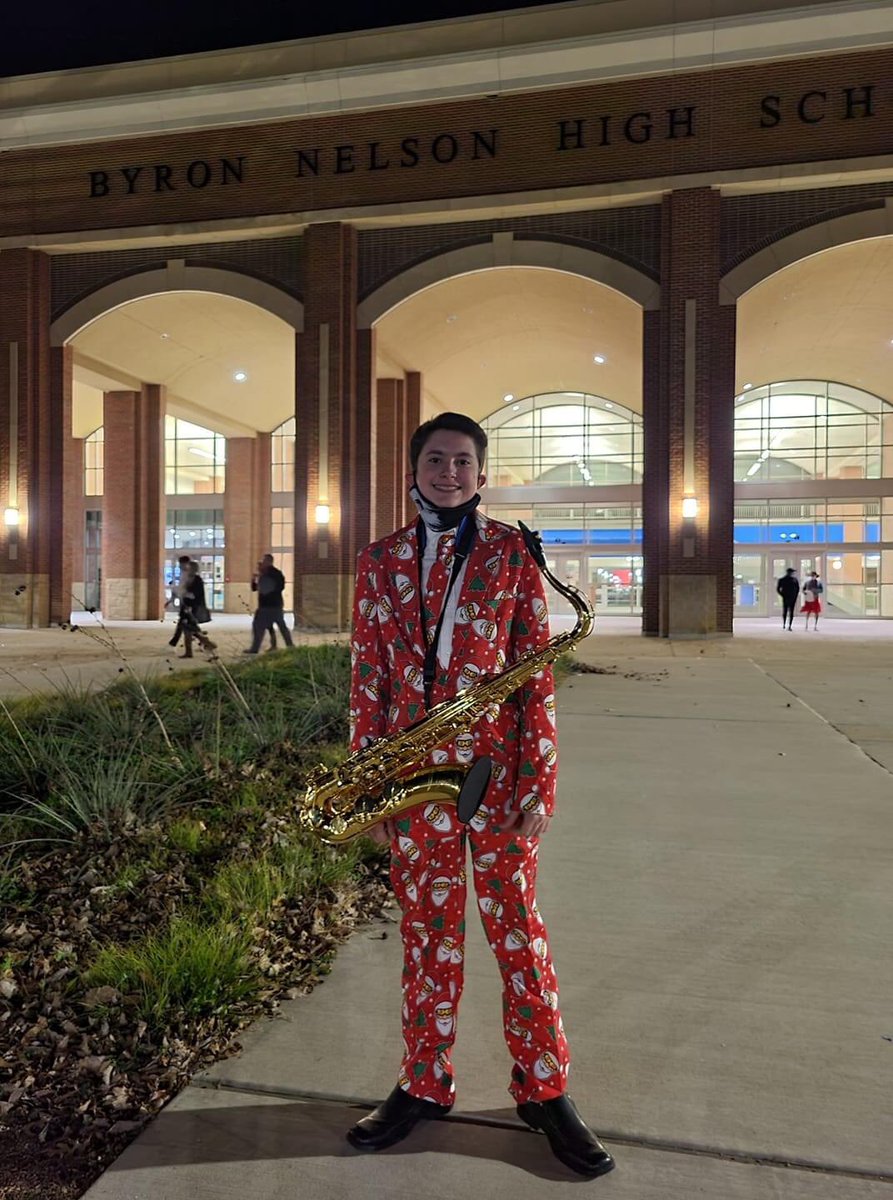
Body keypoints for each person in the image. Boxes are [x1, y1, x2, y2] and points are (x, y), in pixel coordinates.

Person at [345, 413, 614, 1179]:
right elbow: (368, 678)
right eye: (436, 459)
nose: (449, 472)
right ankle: (422, 1083)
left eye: (462, 461)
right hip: (412, 783)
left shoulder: (511, 554)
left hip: (496, 777)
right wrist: (369, 790)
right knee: (426, 934)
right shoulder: (378, 560)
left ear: (482, 473)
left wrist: (540, 782)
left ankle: (544, 1090)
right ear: (413, 470)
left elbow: (535, 677)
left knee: (517, 932)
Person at [166, 556, 216, 658]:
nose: (185, 568)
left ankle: (205, 643)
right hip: (186, 605)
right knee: (188, 628)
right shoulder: (186, 577)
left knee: (188, 627)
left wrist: (185, 594)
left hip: (191, 607)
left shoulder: (196, 580)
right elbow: (182, 590)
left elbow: (195, 595)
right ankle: (202, 644)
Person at [244, 554, 294, 654]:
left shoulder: (272, 574)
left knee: (258, 626)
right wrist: (255, 578)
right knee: (277, 626)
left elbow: (268, 588)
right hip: (274, 605)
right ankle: (287, 645)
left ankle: (255, 648)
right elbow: (254, 588)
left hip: (268, 606)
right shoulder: (268, 574)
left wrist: (261, 577)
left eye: (263, 561)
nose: (262, 563)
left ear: (268, 561)